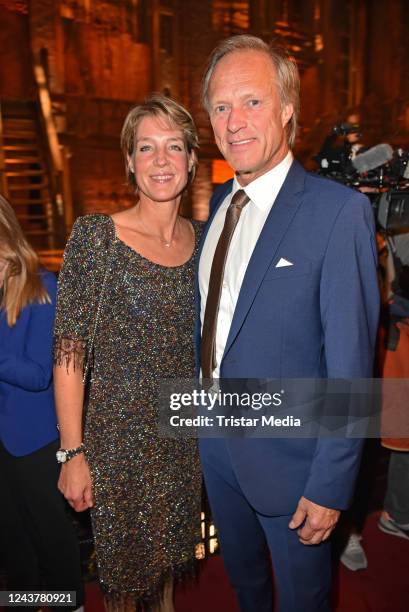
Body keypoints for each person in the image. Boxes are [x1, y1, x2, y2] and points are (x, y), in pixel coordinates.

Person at [197, 35, 380, 611]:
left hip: (293, 466)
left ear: (287, 109)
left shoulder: (337, 212)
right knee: (246, 589)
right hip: (216, 451)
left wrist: (331, 485)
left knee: (304, 600)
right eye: (221, 107)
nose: (235, 121)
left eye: (252, 102)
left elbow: (352, 365)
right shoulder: (215, 208)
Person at [53, 95, 202, 611]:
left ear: (191, 160)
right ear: (129, 161)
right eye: (146, 148)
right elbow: (68, 354)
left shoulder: (204, 242)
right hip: (117, 446)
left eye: (173, 147)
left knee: (166, 576)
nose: (161, 161)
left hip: (183, 440)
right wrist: (73, 454)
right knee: (124, 582)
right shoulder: (98, 238)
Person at [0, 195, 83, 611]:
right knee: (12, 545)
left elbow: (37, 375)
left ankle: (69, 604)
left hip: (33, 442)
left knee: (51, 539)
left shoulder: (41, 287)